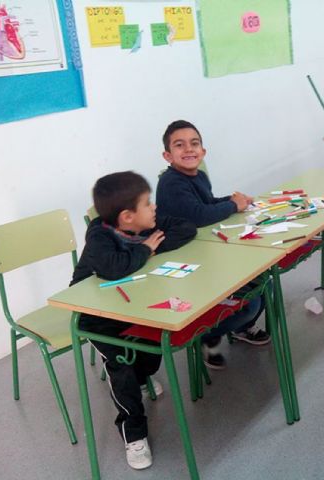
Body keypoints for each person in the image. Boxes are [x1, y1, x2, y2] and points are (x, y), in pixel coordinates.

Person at [71, 171, 197, 470]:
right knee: (122, 368)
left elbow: (186, 228)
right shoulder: (99, 236)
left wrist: (150, 247)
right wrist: (145, 249)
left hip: (136, 305)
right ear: (127, 217)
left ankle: (142, 379)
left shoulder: (146, 224)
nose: (154, 208)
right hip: (97, 317)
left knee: (151, 355)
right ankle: (134, 432)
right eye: (148, 203)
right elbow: (114, 267)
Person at [156, 120, 270, 369]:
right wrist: (232, 206)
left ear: (203, 151)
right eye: (179, 145)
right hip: (183, 259)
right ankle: (207, 335)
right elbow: (198, 216)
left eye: (194, 143)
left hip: (204, 247)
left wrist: (233, 200)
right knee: (251, 302)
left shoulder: (199, 176)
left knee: (262, 284)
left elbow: (205, 204)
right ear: (168, 156)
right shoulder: (171, 183)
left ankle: (239, 327)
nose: (189, 149)